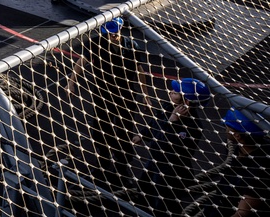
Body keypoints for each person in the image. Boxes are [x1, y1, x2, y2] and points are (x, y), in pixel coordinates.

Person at [65, 17, 151, 187]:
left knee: (124, 131)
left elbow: (140, 71)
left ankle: (122, 166)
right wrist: (71, 83)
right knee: (100, 128)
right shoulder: (97, 43)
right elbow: (82, 62)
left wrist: (145, 95)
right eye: (109, 33)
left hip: (125, 95)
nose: (112, 36)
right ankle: (103, 161)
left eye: (115, 32)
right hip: (103, 94)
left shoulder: (131, 47)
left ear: (120, 29)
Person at [135, 77, 210, 216]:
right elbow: (155, 124)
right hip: (155, 160)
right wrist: (142, 135)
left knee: (163, 203)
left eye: (175, 92)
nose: (170, 92)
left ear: (186, 101)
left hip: (171, 170)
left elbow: (167, 144)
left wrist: (172, 122)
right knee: (143, 188)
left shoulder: (192, 127)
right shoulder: (168, 107)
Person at [217, 108, 270, 217]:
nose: (225, 128)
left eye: (227, 126)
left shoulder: (260, 170)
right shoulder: (240, 149)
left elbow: (243, 213)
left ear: (237, 135)